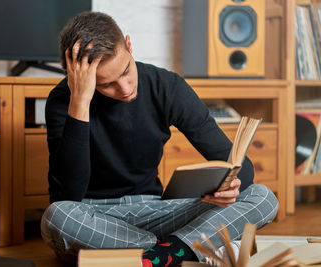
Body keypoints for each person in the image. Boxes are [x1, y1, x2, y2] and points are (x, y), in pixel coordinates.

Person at [41, 11, 278, 267]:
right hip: (94, 216)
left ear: (129, 46)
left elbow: (242, 168)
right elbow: (68, 195)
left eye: (126, 71)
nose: (125, 88)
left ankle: (157, 256)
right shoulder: (63, 100)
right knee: (57, 218)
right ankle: (174, 249)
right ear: (77, 78)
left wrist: (230, 186)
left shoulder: (166, 85)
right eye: (106, 84)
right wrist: (80, 100)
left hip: (155, 210)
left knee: (262, 197)